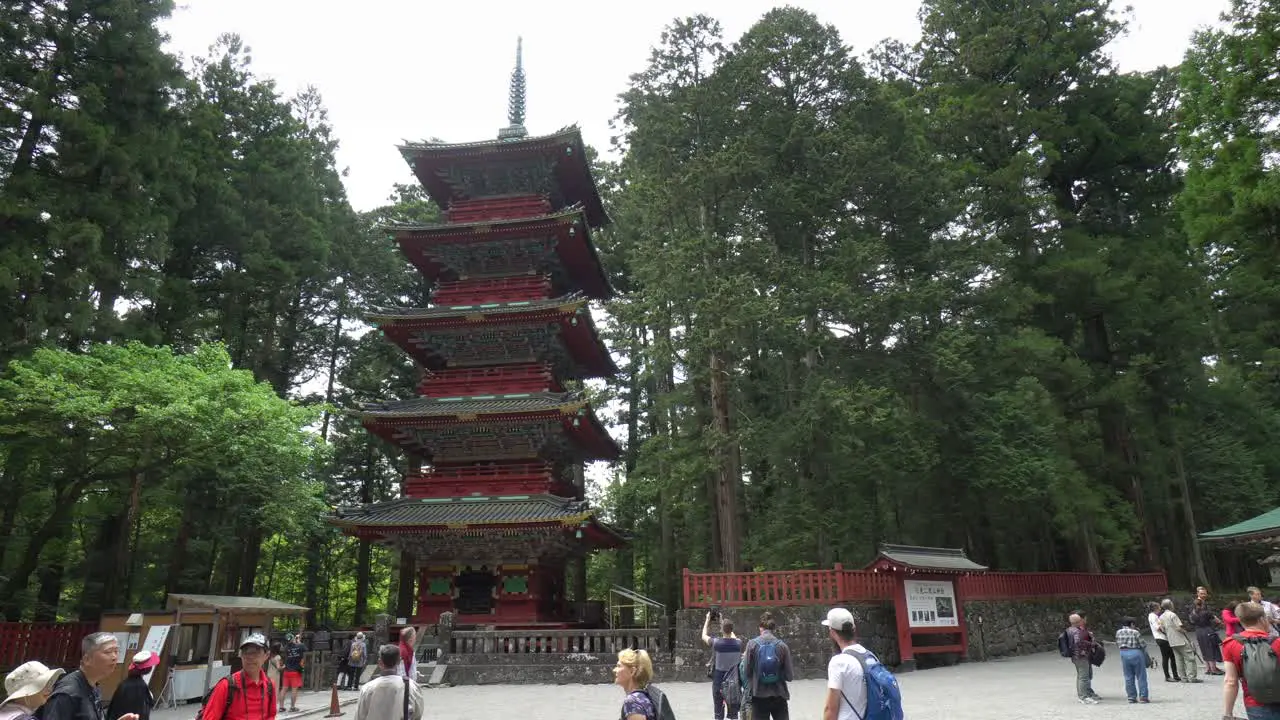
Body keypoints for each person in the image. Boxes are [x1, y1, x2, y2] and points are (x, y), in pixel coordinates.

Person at [43, 632, 140, 720]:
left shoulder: (92, 685)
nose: (114, 657)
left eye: (116, 651)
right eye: (108, 652)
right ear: (87, 659)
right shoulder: (68, 693)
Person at [1222, 601, 1280, 720]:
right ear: (1262, 619)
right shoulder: (1278, 642)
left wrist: (1228, 713)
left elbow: (1231, 681)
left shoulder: (1230, 644)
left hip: (1255, 704)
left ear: (1240, 620)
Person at [820, 608, 880, 720]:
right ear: (854, 629)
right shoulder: (870, 655)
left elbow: (830, 708)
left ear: (832, 633)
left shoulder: (838, 663)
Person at [199, 633, 276, 720]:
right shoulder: (227, 686)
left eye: (255, 652)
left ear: (266, 655)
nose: (250, 657)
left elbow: (271, 716)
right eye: (245, 652)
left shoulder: (269, 685)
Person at [743, 611, 793, 720]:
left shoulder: (751, 645)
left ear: (760, 627)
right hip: (779, 695)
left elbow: (746, 672)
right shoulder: (782, 646)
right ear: (773, 628)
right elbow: (790, 676)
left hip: (758, 695)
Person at [355, 645, 422, 720]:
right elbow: (417, 714)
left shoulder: (367, 689)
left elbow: (360, 716)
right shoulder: (411, 686)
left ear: (380, 662)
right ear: (399, 661)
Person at [703, 612, 742, 720]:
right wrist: (722, 622)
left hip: (719, 682)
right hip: (734, 682)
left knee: (718, 713)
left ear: (721, 629)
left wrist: (707, 620)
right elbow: (733, 636)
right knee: (734, 715)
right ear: (732, 629)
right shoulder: (738, 643)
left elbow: (703, 636)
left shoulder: (717, 643)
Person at [0, 661, 65, 720]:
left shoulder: (5, 712)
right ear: (26, 693)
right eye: (42, 684)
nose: (49, 690)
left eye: (49, 684)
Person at [107, 651, 159, 720]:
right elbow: (146, 709)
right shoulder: (142, 685)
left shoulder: (123, 684)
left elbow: (113, 709)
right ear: (147, 669)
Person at [1160, 598, 1199, 683]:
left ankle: (1183, 678)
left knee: (1179, 660)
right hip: (1180, 639)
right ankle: (1192, 677)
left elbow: (1162, 629)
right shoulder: (1172, 615)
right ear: (1170, 605)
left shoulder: (1161, 617)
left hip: (1172, 641)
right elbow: (1178, 627)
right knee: (1190, 658)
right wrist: (1185, 631)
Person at [1066, 613, 1101, 704]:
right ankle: (1083, 697)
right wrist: (1091, 643)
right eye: (1080, 620)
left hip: (1075, 656)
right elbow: (1079, 642)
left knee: (1081, 676)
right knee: (1084, 677)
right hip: (1081, 656)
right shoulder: (1077, 631)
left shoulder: (1069, 630)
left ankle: (1085, 694)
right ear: (1078, 622)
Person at [1114, 617, 1150, 704]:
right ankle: (1143, 696)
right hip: (1136, 652)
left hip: (1123, 653)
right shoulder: (1135, 632)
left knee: (1128, 676)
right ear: (1132, 624)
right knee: (1141, 675)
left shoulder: (1118, 632)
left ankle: (1131, 697)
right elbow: (1142, 644)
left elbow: (1117, 643)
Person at [614, 649, 655, 720]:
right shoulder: (644, 696)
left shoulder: (632, 701)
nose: (614, 670)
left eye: (619, 666)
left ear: (632, 671)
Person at [1190, 597, 1224, 675]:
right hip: (1207, 630)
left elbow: (1192, 622)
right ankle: (1213, 669)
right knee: (1211, 648)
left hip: (1198, 632)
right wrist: (1221, 623)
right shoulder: (1206, 612)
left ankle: (1208, 668)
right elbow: (1216, 620)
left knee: (1204, 649)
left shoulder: (1192, 614)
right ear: (1202, 605)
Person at [1147, 601, 1179, 682]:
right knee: (1166, 657)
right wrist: (1166, 630)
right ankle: (1168, 676)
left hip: (1163, 638)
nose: (1160, 609)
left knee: (1172, 657)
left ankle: (1175, 675)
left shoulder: (1154, 616)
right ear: (1155, 608)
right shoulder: (1153, 616)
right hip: (1161, 638)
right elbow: (1158, 627)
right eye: (1159, 607)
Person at [281, 634, 306, 713]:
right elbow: (304, 648)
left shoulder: (286, 648)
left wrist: (294, 641)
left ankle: (281, 707)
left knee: (284, 689)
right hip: (295, 671)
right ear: (293, 639)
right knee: (294, 689)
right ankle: (292, 707)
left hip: (286, 671)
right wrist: (298, 640)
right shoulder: (300, 646)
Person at [266, 644, 285, 711]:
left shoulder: (270, 656)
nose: (282, 648)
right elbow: (278, 668)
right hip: (275, 675)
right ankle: (273, 706)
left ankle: (267, 704)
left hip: (269, 674)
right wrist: (284, 666)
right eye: (281, 647)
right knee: (275, 690)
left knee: (269, 690)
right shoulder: (278, 657)